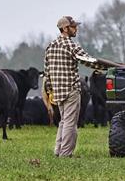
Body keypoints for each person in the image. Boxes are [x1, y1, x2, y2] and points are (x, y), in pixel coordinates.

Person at [44, 16, 104, 157]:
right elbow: (88, 61)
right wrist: (104, 67)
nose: (76, 29)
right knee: (70, 123)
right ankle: (65, 154)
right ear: (65, 28)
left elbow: (47, 72)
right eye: (73, 27)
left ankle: (58, 151)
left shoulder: (50, 46)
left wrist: (49, 89)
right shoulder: (71, 45)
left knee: (64, 122)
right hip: (71, 89)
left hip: (57, 91)